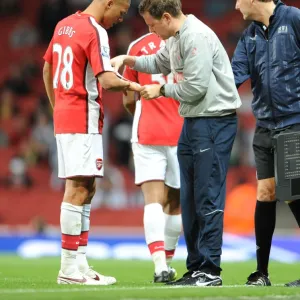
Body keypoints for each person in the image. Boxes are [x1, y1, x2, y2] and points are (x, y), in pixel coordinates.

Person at [111, 0, 241, 286]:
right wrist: (129, 60)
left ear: (166, 17)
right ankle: (196, 267)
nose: (150, 30)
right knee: (189, 199)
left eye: (151, 24)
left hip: (213, 121)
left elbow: (196, 86)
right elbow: (159, 62)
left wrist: (162, 90)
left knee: (207, 196)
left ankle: (210, 270)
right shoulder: (176, 37)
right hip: (194, 122)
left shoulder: (195, 36)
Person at [43, 0, 142, 285]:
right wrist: (134, 86)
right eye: (121, 12)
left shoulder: (64, 25)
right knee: (77, 189)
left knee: (88, 187)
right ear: (109, 2)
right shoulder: (94, 30)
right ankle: (68, 268)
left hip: (69, 116)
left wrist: (57, 108)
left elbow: (47, 69)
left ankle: (80, 263)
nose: (121, 19)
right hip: (82, 117)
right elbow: (108, 81)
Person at [232, 0, 300, 287]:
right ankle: (262, 273)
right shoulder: (249, 35)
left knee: (293, 194)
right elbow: (233, 76)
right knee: (265, 193)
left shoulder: (295, 19)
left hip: (293, 121)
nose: (236, 5)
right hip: (264, 126)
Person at [122, 32, 183, 283]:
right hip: (182, 130)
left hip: (147, 130)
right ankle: (167, 263)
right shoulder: (187, 40)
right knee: (175, 203)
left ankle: (160, 267)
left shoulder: (137, 45)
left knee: (153, 201)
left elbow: (128, 98)